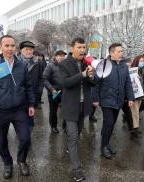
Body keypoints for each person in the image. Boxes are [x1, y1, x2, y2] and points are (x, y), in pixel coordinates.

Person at [0, 35, 36, 179]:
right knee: (1, 141)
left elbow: (28, 87)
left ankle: (21, 160)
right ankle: (7, 163)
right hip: (0, 111)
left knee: (25, 138)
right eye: (6, 46)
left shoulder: (21, 66)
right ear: (0, 48)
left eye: (12, 46)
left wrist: (31, 104)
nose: (10, 49)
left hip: (19, 110)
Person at [59, 37, 95, 182]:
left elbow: (92, 83)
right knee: (74, 138)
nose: (82, 50)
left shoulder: (86, 62)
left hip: (83, 106)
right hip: (70, 107)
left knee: (76, 135)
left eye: (84, 48)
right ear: (72, 48)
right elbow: (65, 83)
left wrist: (91, 76)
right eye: (79, 47)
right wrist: (82, 75)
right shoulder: (64, 64)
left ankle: (70, 146)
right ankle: (77, 170)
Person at [93, 43, 134, 159]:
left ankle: (106, 143)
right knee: (109, 123)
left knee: (111, 124)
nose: (121, 53)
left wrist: (130, 98)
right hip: (106, 99)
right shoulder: (104, 65)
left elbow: (128, 83)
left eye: (122, 51)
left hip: (119, 100)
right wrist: (95, 99)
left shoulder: (124, 66)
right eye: (119, 51)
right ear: (111, 53)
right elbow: (96, 83)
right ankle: (103, 147)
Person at [17, 41, 44, 133]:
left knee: (30, 116)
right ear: (21, 51)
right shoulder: (15, 62)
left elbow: (41, 78)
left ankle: (27, 134)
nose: (29, 52)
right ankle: (21, 133)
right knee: (19, 116)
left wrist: (39, 90)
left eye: (31, 50)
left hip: (32, 95)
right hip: (18, 95)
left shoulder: (38, 63)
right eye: (26, 49)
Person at [43, 50, 67, 133]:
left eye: (63, 56)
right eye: (60, 55)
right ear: (56, 56)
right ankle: (53, 126)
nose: (62, 57)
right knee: (53, 111)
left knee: (66, 110)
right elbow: (45, 79)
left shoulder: (66, 66)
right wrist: (51, 89)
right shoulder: (50, 66)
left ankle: (65, 126)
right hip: (54, 92)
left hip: (65, 93)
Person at [129, 55, 144, 140]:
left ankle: (135, 128)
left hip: (140, 95)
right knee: (135, 113)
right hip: (134, 95)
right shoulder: (132, 71)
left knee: (137, 113)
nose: (142, 63)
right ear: (136, 61)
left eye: (142, 61)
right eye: (140, 61)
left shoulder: (141, 71)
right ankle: (134, 130)